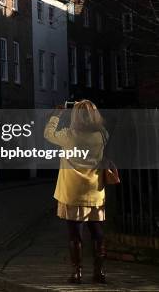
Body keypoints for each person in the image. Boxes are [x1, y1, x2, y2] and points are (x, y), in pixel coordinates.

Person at [44, 100, 107, 284]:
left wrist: (57, 114)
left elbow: (48, 134)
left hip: (72, 193)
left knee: (75, 234)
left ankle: (77, 273)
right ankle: (99, 272)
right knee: (97, 232)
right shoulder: (102, 135)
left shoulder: (69, 135)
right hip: (95, 191)